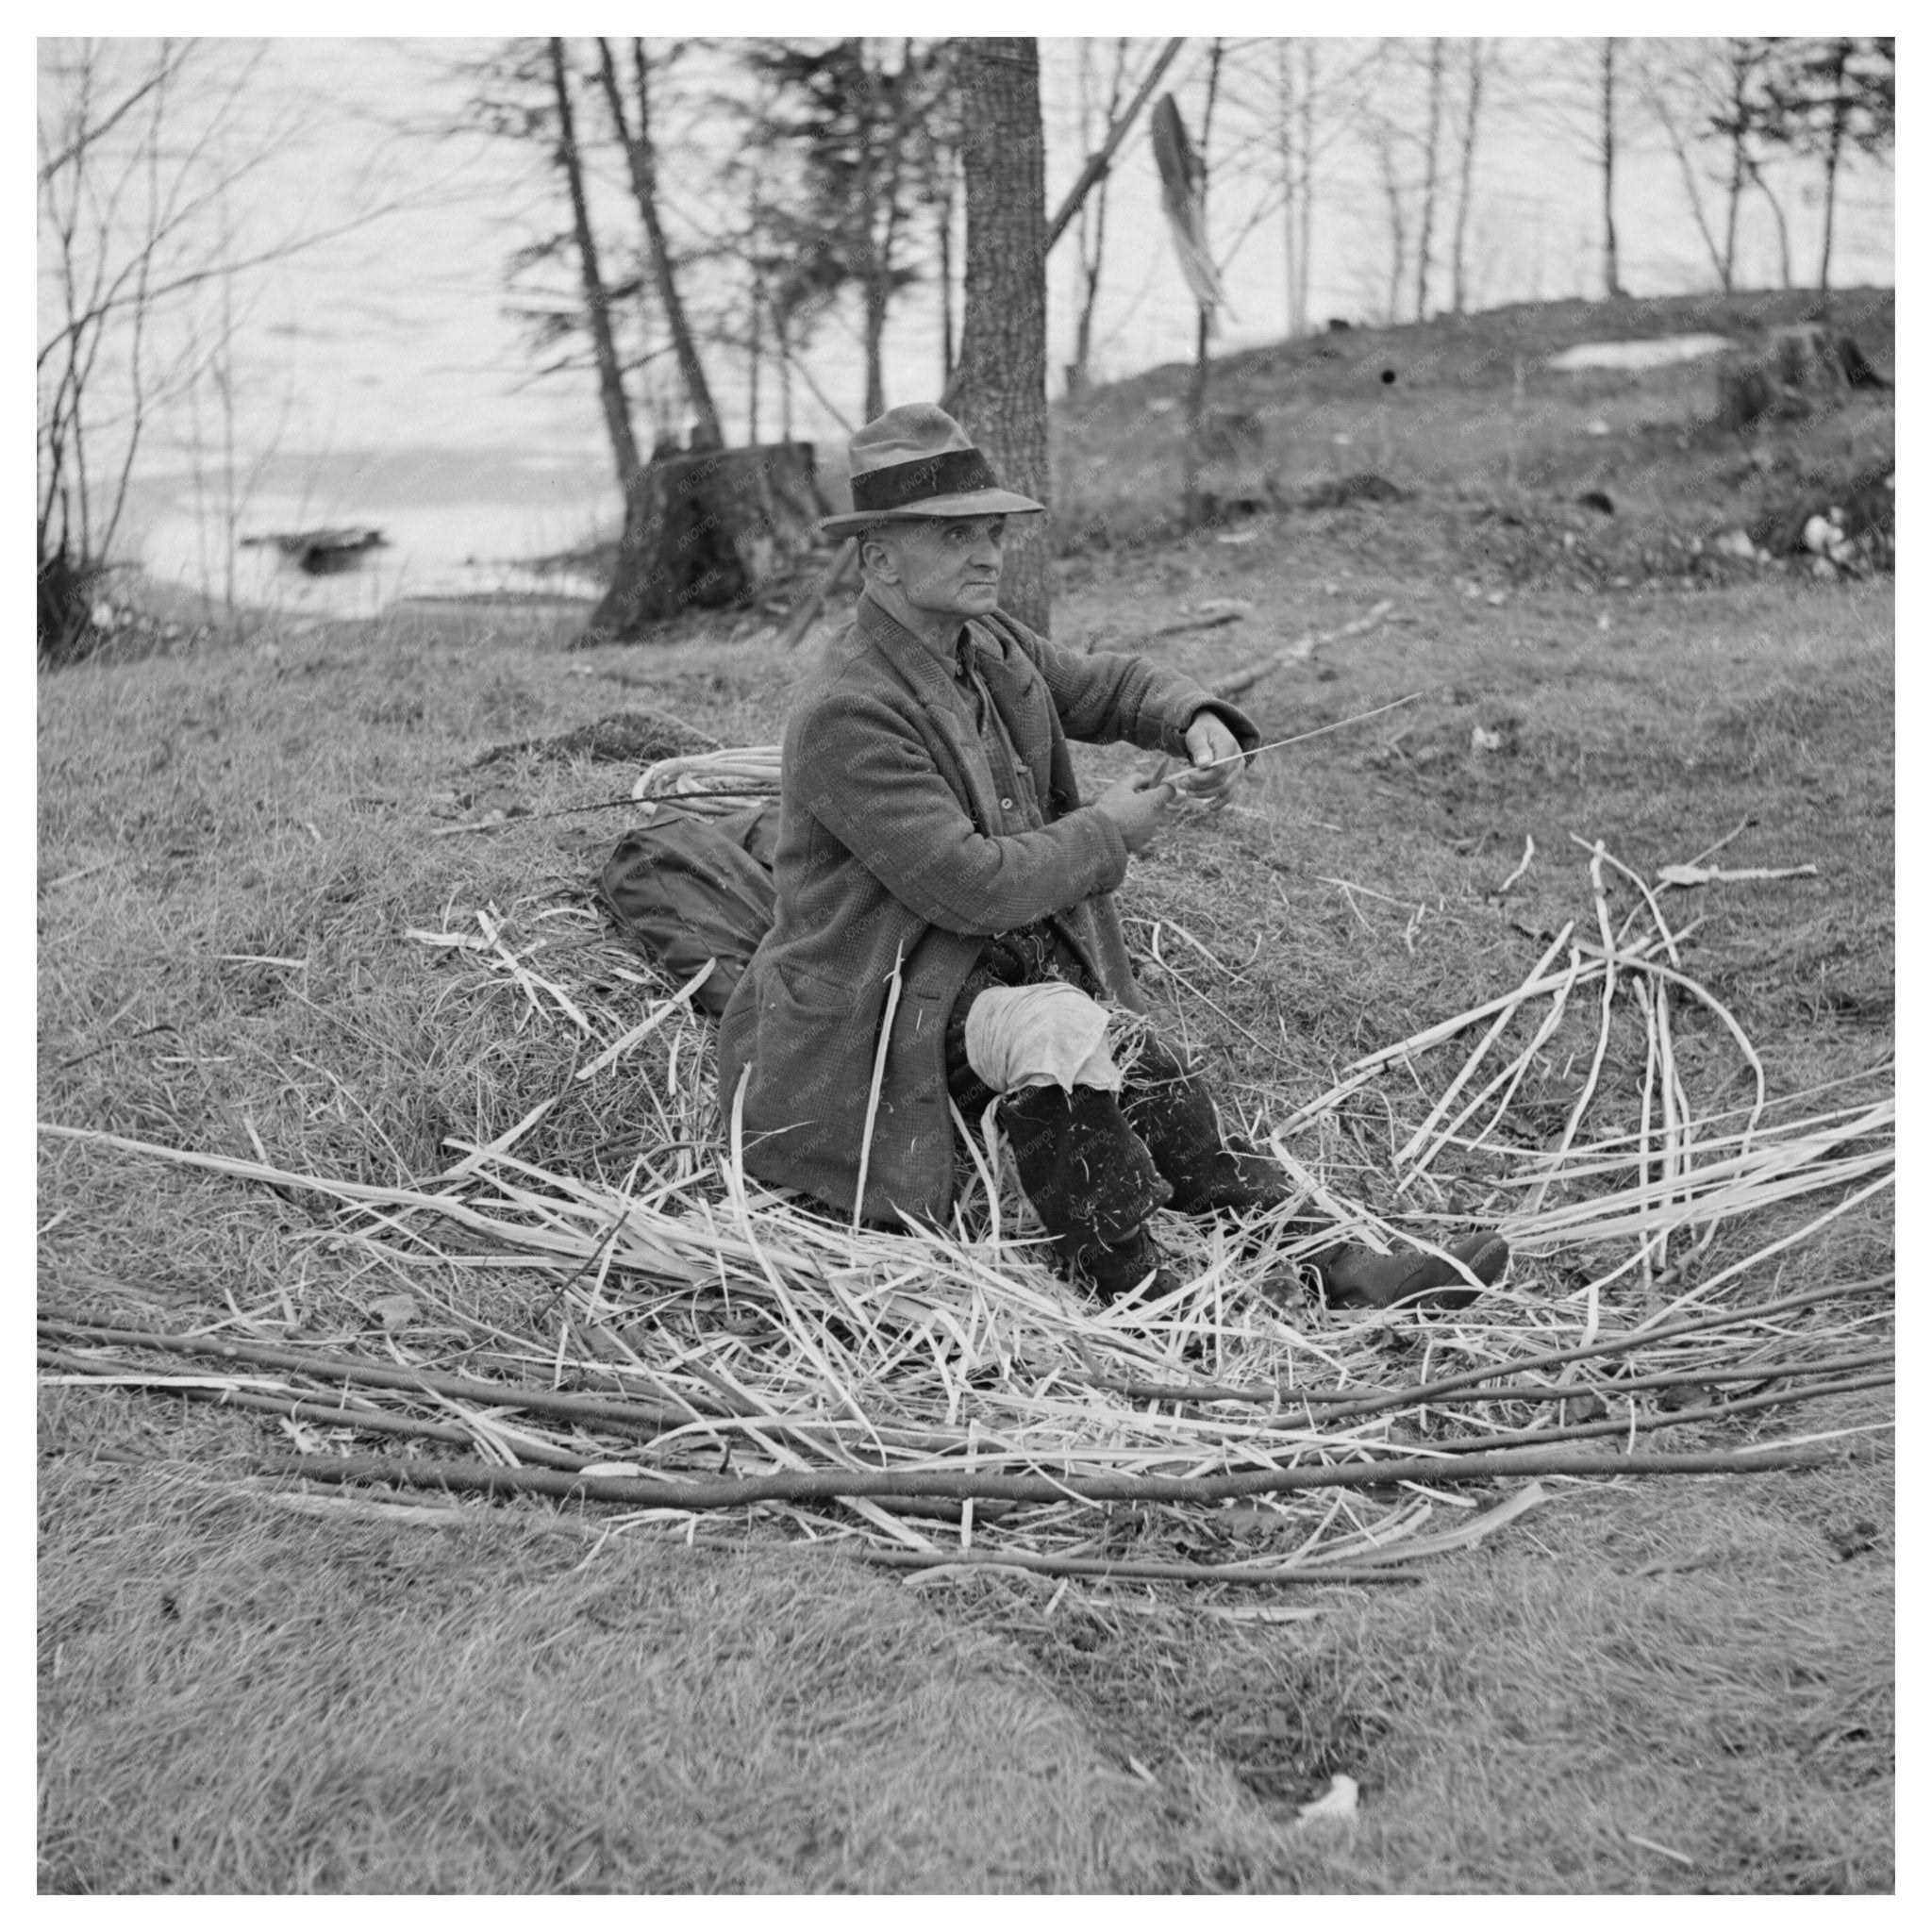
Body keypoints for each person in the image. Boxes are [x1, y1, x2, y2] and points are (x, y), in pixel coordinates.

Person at [717, 404, 1507, 1308]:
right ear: (879, 559)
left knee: (1150, 1067)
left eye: (992, 532)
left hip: (976, 966)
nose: (988, 554)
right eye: (953, 535)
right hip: (881, 1001)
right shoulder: (849, 709)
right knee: (1064, 1032)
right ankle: (1137, 1294)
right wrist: (1111, 833)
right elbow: (972, 886)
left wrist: (1194, 719)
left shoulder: (986, 645)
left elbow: (1103, 686)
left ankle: (1335, 1265)